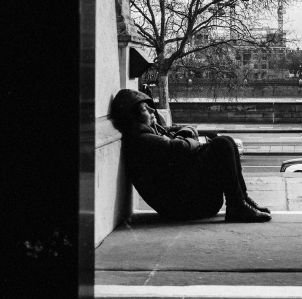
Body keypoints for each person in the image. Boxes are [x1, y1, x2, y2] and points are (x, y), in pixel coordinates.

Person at [109, 88, 271, 223]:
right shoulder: (142, 140)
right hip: (183, 207)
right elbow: (182, 147)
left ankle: (241, 199)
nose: (152, 111)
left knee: (225, 141)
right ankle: (237, 205)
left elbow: (182, 130)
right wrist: (193, 140)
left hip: (185, 201)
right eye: (145, 109)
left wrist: (184, 135)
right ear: (134, 118)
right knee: (222, 144)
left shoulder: (150, 132)